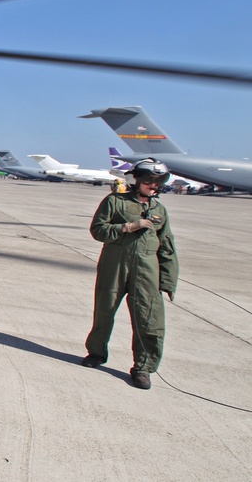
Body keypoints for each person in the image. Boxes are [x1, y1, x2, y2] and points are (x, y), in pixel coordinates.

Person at [82, 158, 179, 390]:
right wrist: (127, 227)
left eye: (158, 182)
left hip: (146, 272)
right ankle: (96, 353)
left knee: (149, 321)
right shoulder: (114, 202)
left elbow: (167, 247)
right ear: (137, 180)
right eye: (149, 181)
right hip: (114, 267)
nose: (153, 186)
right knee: (104, 312)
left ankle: (143, 368)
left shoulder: (159, 211)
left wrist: (167, 280)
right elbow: (98, 230)